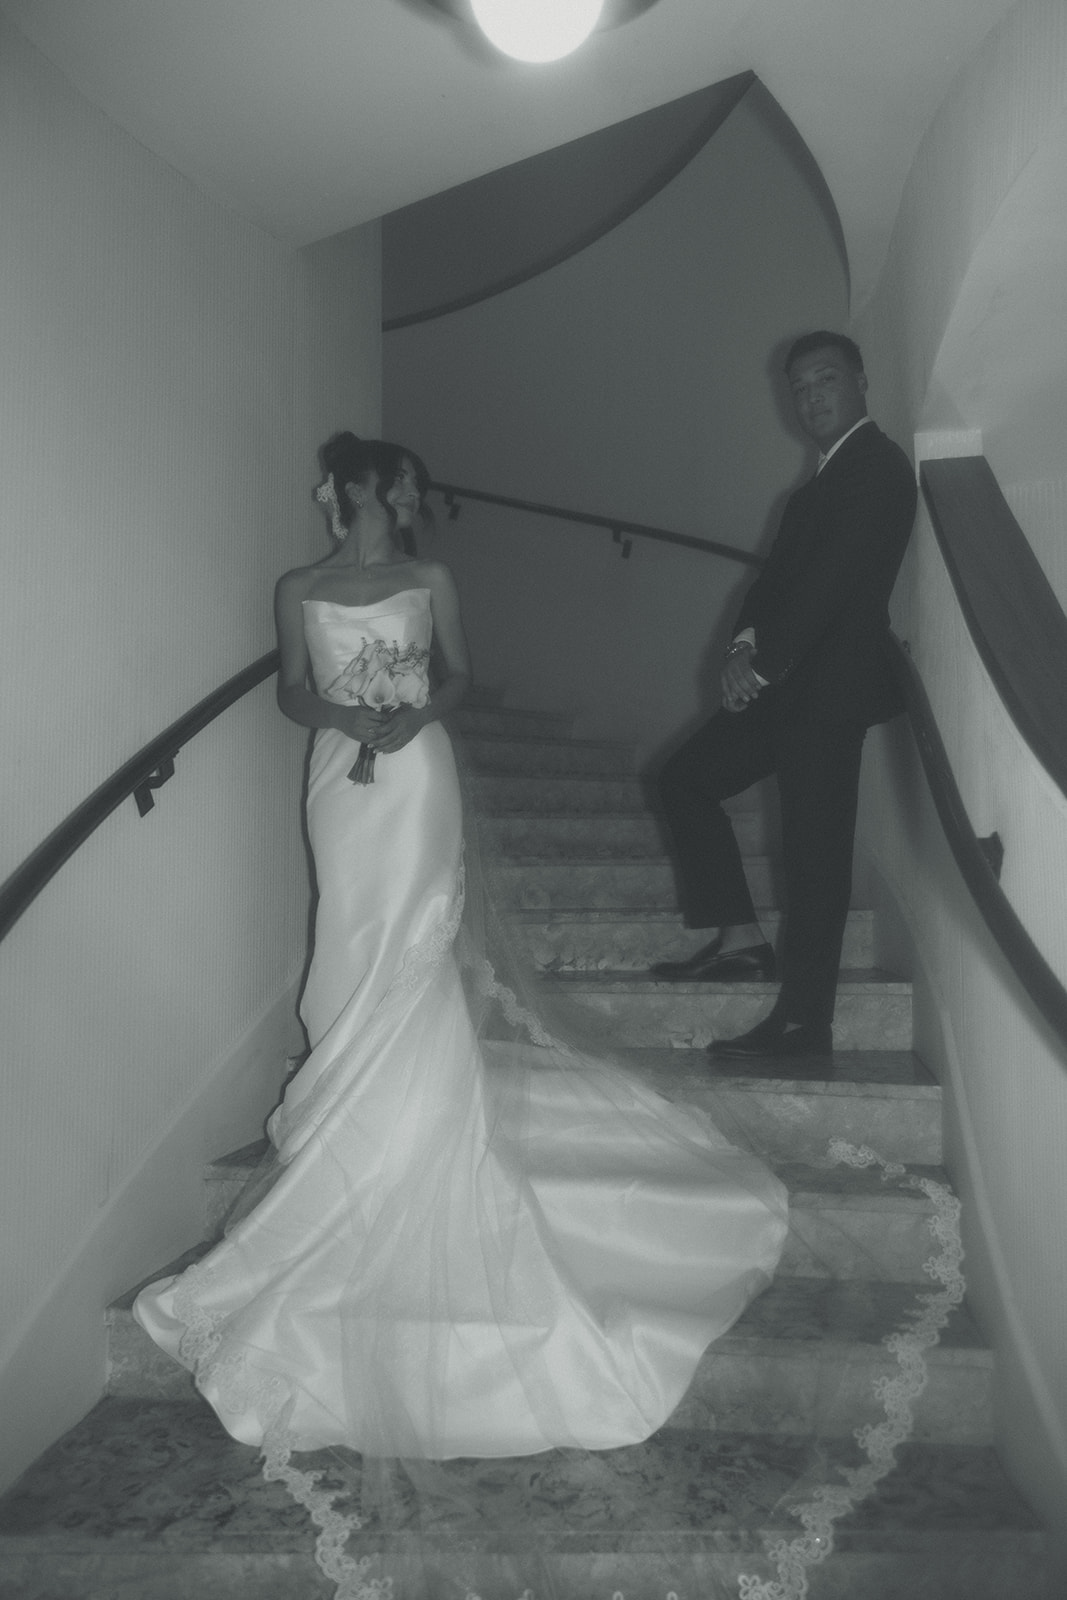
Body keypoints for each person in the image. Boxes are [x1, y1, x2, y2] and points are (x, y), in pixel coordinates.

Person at [131, 432, 787, 1586]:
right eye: (374, 481)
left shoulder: (432, 582)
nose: (389, 496)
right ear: (339, 489)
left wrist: (407, 712)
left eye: (394, 483)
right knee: (346, 943)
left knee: (411, 948)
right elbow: (289, 680)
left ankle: (413, 1129)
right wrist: (340, 711)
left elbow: (460, 678)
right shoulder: (300, 586)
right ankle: (346, 1120)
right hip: (340, 775)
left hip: (417, 773)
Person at [650, 333, 917, 1061]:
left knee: (813, 859)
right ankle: (738, 938)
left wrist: (760, 664)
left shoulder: (878, 468)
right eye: (798, 387)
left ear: (860, 382)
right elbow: (771, 586)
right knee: (682, 780)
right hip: (783, 689)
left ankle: (804, 1025)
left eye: (825, 379)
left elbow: (831, 583)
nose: (811, 397)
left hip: (827, 696)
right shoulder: (811, 488)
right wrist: (740, 648)